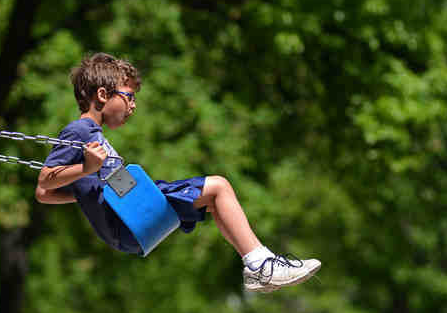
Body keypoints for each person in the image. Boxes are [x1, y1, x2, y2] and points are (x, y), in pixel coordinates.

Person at [35, 52, 321, 293]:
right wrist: (86, 170)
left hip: (131, 213)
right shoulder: (79, 130)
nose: (133, 106)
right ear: (102, 94)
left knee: (213, 199)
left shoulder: (94, 136)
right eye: (129, 97)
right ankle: (260, 265)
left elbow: (80, 187)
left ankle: (257, 264)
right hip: (131, 218)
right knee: (219, 186)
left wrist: (90, 191)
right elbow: (44, 187)